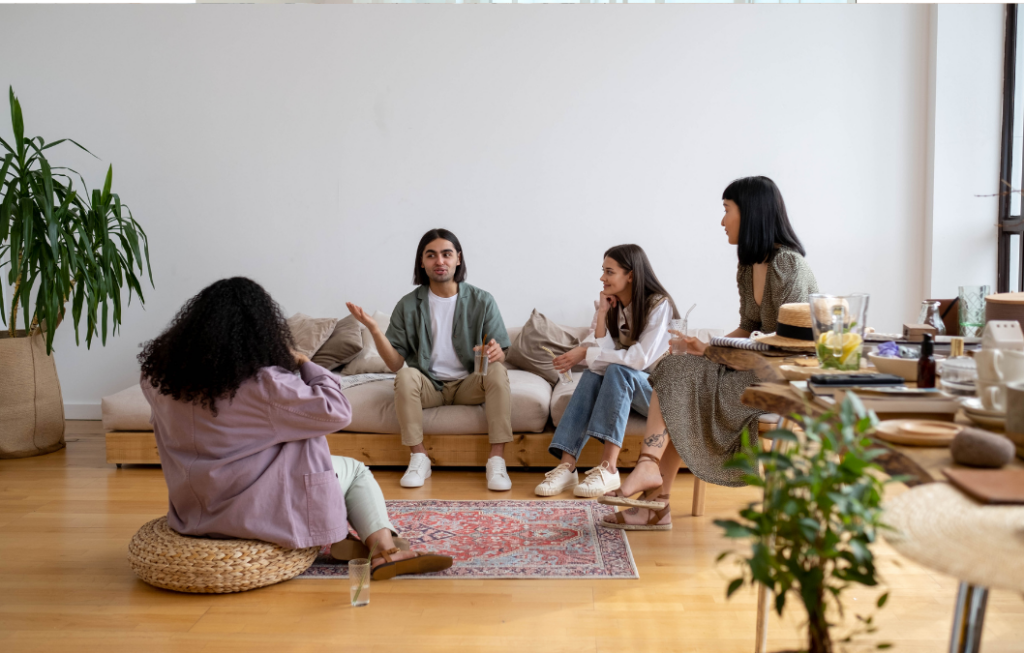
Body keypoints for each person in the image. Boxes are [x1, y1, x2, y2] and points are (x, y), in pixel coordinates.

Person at [138, 277, 452, 580]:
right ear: (260, 331)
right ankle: (385, 548)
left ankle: (348, 537)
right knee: (354, 471)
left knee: (287, 443)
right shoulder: (265, 385)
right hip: (255, 509)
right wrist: (303, 363)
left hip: (194, 508)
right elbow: (337, 411)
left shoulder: (158, 382)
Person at [600, 176, 819, 530]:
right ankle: (652, 484)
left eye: (726, 210)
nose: (722, 221)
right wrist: (703, 349)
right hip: (753, 367)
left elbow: (789, 341)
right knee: (674, 368)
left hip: (783, 377)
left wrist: (713, 352)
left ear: (750, 213)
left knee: (681, 382)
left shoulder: (788, 266)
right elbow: (749, 324)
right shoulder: (748, 268)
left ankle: (654, 495)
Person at [345, 229, 513, 491]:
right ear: (422, 262)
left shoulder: (482, 300)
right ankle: (419, 457)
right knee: (404, 375)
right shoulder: (408, 304)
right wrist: (375, 330)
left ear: (458, 259)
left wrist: (496, 353)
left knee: (498, 371)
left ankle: (497, 460)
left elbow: (501, 349)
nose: (440, 261)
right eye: (431, 255)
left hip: (470, 384)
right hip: (430, 386)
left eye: (446, 254)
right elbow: (394, 363)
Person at [535, 244, 678, 498]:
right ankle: (567, 466)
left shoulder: (659, 306)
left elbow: (638, 359)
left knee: (617, 371)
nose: (602, 278)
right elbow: (599, 355)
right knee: (595, 373)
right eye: (603, 271)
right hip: (630, 388)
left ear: (630, 275)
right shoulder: (612, 305)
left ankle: (608, 468)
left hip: (661, 396)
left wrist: (586, 353)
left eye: (609, 271)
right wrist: (602, 314)